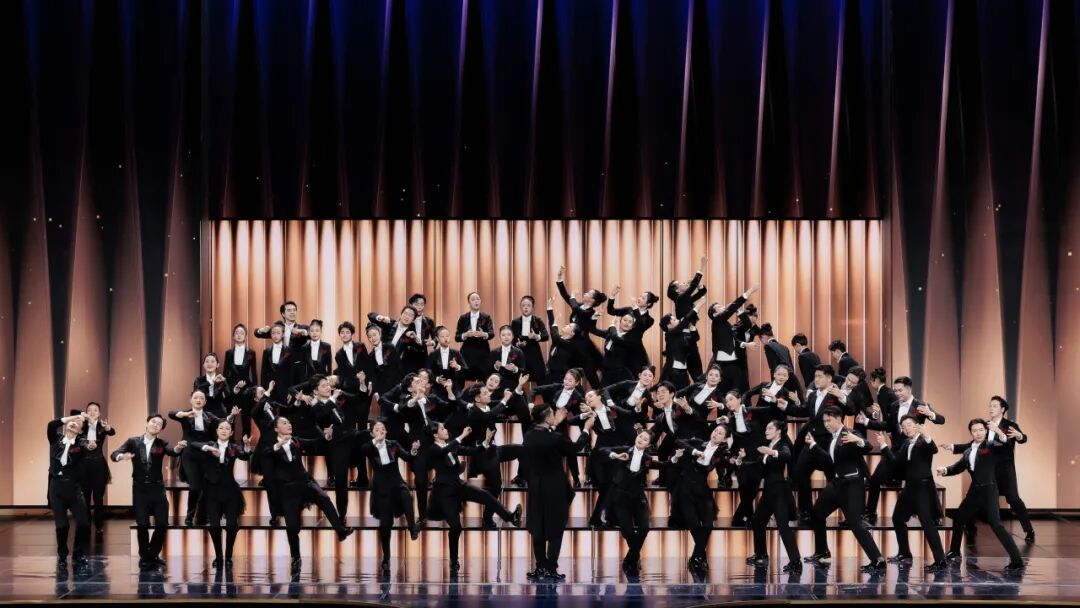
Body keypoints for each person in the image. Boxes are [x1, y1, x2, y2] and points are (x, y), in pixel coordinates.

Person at [425, 423, 522, 574]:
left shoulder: (451, 445)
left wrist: (486, 442)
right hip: (445, 492)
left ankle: (511, 517)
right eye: (443, 429)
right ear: (435, 435)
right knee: (456, 527)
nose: (446, 430)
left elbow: (473, 451)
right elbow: (444, 450)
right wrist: (462, 436)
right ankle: (453, 560)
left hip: (458, 485)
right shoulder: (433, 449)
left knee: (485, 495)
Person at [262, 416, 354, 573]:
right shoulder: (271, 445)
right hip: (288, 488)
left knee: (324, 498)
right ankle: (296, 557)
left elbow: (314, 442)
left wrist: (326, 437)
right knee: (292, 526)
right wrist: (279, 445)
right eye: (284, 423)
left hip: (305, 481)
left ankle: (340, 531)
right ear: (276, 429)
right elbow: (266, 454)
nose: (289, 424)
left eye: (289, 422)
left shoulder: (296, 440)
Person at [801, 406, 886, 573]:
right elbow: (829, 460)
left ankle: (878, 560)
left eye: (829, 420)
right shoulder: (831, 438)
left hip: (852, 484)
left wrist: (858, 440)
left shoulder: (850, 433)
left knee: (854, 522)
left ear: (839, 418)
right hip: (836, 484)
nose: (826, 424)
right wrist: (814, 446)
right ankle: (822, 552)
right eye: (824, 421)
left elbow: (867, 446)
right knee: (817, 514)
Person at [937, 418, 1025, 572]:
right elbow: (959, 467)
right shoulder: (968, 450)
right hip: (974, 492)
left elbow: (1004, 444)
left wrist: (998, 432)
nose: (978, 433)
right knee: (959, 518)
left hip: (989, 491)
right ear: (971, 433)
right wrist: (945, 470)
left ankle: (1017, 561)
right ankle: (955, 551)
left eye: (981, 430)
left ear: (986, 431)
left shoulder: (991, 446)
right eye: (974, 430)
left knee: (996, 525)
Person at [522, 404, 595, 581]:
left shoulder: (529, 435)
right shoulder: (555, 438)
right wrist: (586, 429)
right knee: (555, 526)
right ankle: (551, 568)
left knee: (537, 526)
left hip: (535, 485)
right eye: (552, 414)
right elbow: (575, 447)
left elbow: (545, 437)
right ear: (547, 417)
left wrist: (554, 424)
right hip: (554, 486)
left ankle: (541, 566)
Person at [111, 414, 187, 570]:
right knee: (143, 524)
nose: (155, 425)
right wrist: (122, 456)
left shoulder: (162, 443)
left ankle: (152, 554)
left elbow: (173, 451)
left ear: (161, 429)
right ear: (147, 423)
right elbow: (114, 454)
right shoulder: (133, 442)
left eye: (159, 424)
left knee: (162, 523)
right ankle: (145, 557)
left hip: (157, 488)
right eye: (153, 422)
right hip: (140, 489)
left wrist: (179, 447)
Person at [872, 417, 947, 571]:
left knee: (927, 523)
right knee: (897, 518)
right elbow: (895, 462)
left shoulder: (923, 441)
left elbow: (933, 449)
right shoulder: (906, 443)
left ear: (916, 426)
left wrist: (927, 435)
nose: (906, 428)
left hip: (923, 487)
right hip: (909, 487)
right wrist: (884, 445)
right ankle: (905, 553)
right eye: (903, 426)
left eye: (909, 425)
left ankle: (940, 560)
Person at [358, 420, 422, 572]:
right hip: (382, 488)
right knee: (385, 526)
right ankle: (386, 558)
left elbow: (407, 457)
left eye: (383, 428)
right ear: (372, 433)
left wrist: (413, 450)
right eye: (377, 429)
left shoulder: (393, 444)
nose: (381, 431)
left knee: (406, 495)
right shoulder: (370, 447)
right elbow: (362, 450)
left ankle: (412, 528)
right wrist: (376, 441)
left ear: (386, 431)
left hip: (397, 482)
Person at [596, 431, 661, 576]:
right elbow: (602, 450)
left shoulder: (647, 459)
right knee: (628, 532)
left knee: (644, 528)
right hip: (620, 497)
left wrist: (674, 459)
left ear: (648, 445)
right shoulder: (625, 450)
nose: (641, 439)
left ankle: (630, 558)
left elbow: (662, 465)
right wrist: (616, 455)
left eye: (645, 439)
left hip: (638, 498)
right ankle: (634, 559)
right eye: (640, 436)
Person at [671, 424, 732, 571]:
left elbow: (730, 463)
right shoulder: (698, 443)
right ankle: (700, 557)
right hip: (685, 489)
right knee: (694, 525)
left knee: (708, 525)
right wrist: (695, 451)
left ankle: (696, 556)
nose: (716, 433)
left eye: (720, 433)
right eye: (715, 430)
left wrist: (737, 460)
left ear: (724, 439)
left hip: (702, 490)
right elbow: (678, 441)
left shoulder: (720, 454)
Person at [169, 390, 235, 526]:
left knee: (208, 486)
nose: (198, 400)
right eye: (196, 397)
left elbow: (222, 422)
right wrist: (185, 414)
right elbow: (171, 413)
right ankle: (189, 516)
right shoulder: (185, 414)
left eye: (201, 398)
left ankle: (203, 516)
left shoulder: (209, 416)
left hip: (207, 454)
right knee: (194, 487)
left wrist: (231, 416)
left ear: (205, 401)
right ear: (191, 400)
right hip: (190, 455)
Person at [192, 419, 251, 569]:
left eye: (227, 429)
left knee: (231, 525)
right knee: (214, 526)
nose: (224, 430)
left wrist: (247, 446)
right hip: (211, 491)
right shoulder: (210, 445)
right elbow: (193, 444)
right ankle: (218, 557)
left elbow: (244, 456)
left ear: (231, 433)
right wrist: (209, 448)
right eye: (221, 428)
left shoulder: (234, 447)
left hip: (230, 491)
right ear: (217, 431)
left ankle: (228, 556)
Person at [746, 420, 801, 572]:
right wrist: (742, 460)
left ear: (779, 431)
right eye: (766, 428)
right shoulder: (767, 445)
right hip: (768, 490)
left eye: (770, 428)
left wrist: (772, 452)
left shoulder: (782, 444)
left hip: (779, 490)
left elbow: (787, 455)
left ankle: (796, 562)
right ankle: (761, 555)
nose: (766, 431)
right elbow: (758, 465)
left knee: (783, 526)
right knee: (758, 521)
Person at [984, 396, 1034, 543]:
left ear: (1002, 409)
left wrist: (1019, 436)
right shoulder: (985, 426)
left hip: (1005, 469)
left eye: (994, 406)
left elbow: (1023, 438)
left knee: (1013, 498)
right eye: (990, 405)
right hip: (989, 469)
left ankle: (1029, 530)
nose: (991, 408)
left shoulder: (1010, 425)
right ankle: (970, 526)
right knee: (981, 496)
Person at [47, 413, 92, 570]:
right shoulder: (56, 439)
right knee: (61, 525)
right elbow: (52, 425)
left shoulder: (80, 443)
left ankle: (78, 555)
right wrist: (75, 417)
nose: (74, 423)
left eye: (78, 423)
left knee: (83, 523)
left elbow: (89, 445)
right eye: (72, 421)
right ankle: (62, 555)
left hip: (73, 488)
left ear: (81, 431)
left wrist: (90, 442)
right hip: (56, 488)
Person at [555, 266, 608, 388]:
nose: (585, 293)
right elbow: (565, 296)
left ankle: (600, 395)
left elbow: (576, 308)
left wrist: (573, 296)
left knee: (590, 374)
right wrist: (560, 278)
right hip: (571, 345)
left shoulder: (590, 312)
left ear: (592, 300)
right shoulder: (579, 306)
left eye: (588, 293)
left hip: (583, 348)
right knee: (568, 373)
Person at [75, 402, 114, 538]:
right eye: (89, 410)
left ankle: (99, 525)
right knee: (84, 497)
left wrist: (107, 427)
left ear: (99, 413)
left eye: (95, 410)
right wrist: (86, 444)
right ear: (86, 412)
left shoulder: (102, 426)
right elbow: (77, 439)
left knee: (98, 498)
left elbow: (112, 432)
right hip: (83, 465)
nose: (92, 412)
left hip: (98, 464)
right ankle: (85, 524)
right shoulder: (81, 425)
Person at [455, 292, 495, 382]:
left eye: (478, 299)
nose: (476, 301)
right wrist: (465, 334)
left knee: (484, 378)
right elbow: (457, 337)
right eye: (473, 300)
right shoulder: (463, 318)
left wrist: (483, 334)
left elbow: (491, 333)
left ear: (480, 301)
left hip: (482, 352)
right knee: (463, 377)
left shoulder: (486, 317)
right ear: (469, 303)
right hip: (467, 352)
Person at [512, 295, 550, 386]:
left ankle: (544, 395)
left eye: (528, 305)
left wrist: (536, 336)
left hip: (534, 353)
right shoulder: (515, 322)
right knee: (516, 379)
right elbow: (512, 339)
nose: (526, 308)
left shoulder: (537, 320)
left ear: (532, 308)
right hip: (520, 353)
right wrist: (517, 344)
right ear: (520, 307)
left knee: (541, 378)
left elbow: (546, 336)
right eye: (523, 305)